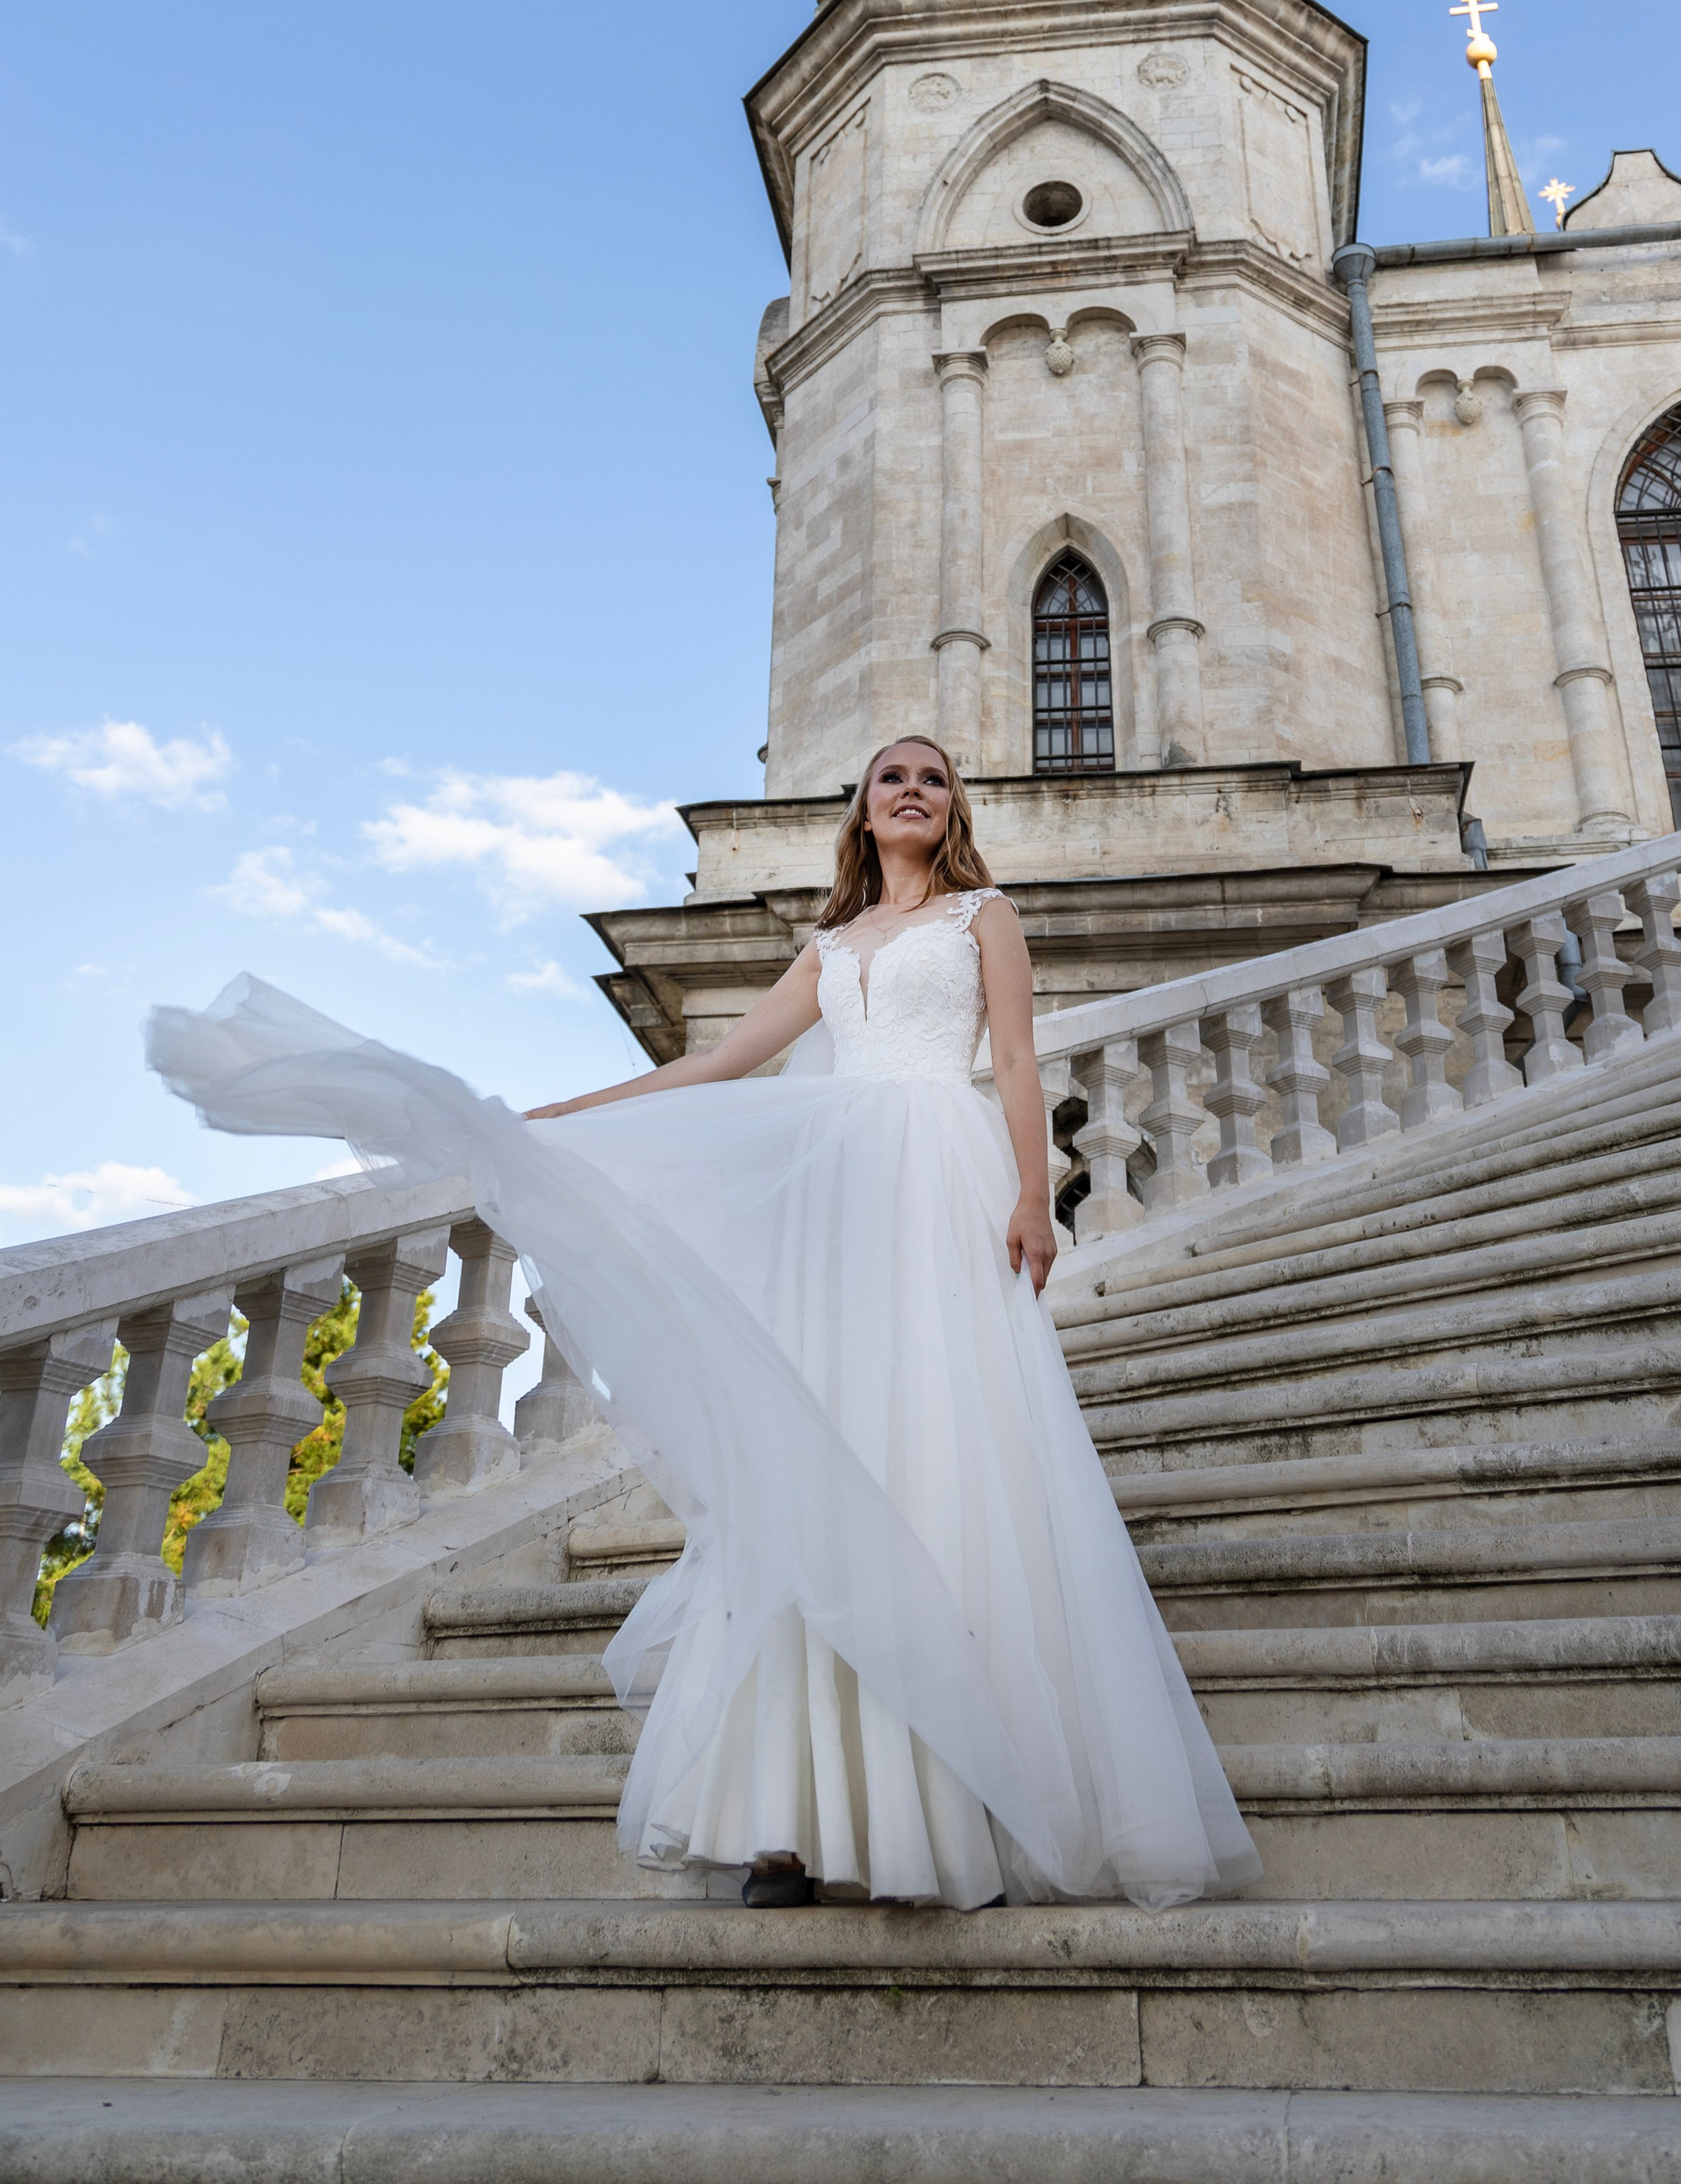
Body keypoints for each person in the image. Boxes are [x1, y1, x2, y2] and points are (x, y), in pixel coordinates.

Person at [148, 735, 1258, 1913]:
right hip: (840, 1209)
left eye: (934, 778)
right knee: (817, 1463)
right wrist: (566, 1114)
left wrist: (1033, 1194)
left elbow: (1021, 1057)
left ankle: (942, 1805)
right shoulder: (827, 947)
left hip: (943, 1177)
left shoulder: (987, 914)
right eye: (894, 777)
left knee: (938, 1448)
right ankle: (789, 1818)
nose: (914, 791)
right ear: (863, 810)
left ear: (954, 809)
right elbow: (725, 1059)